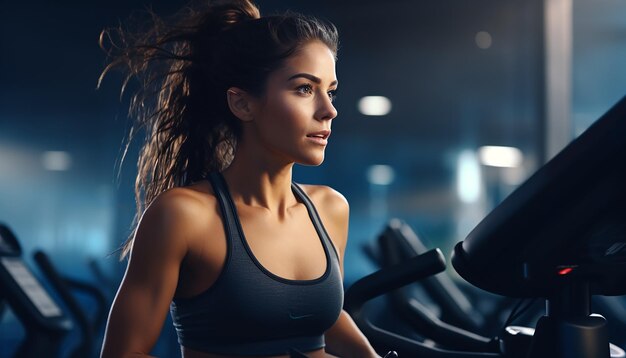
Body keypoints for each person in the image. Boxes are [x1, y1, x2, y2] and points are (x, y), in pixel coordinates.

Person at [98, 0, 380, 357]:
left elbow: (318, 315)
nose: (329, 110)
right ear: (243, 104)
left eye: (331, 90)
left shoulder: (330, 208)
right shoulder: (184, 215)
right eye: (305, 89)